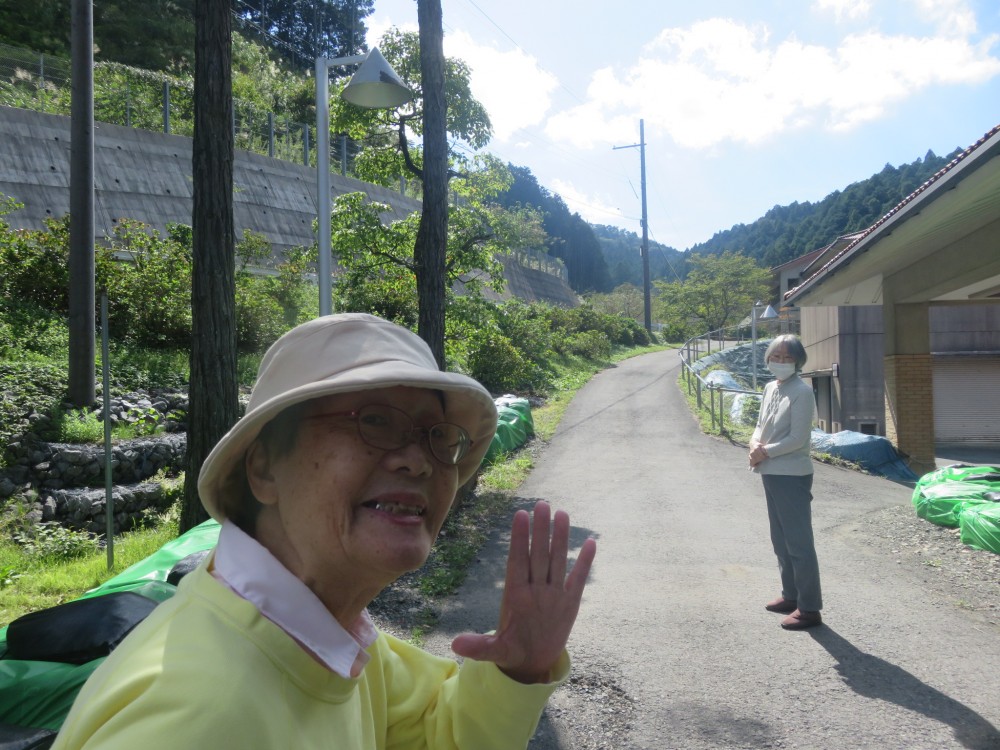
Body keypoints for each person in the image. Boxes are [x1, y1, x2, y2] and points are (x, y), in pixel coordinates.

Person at [53, 313, 597, 749]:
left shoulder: (328, 637)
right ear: (265, 467)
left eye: (438, 435)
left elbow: (435, 733)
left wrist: (519, 671)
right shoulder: (199, 716)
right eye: (375, 420)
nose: (420, 461)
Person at [748, 333, 822, 631]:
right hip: (770, 471)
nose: (780, 362)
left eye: (787, 357)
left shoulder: (802, 392)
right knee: (780, 540)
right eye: (775, 356)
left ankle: (809, 608)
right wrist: (754, 445)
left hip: (792, 473)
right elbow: (760, 425)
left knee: (799, 543)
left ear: (798, 361)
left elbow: (798, 438)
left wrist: (764, 452)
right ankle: (790, 595)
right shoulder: (769, 387)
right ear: (767, 359)